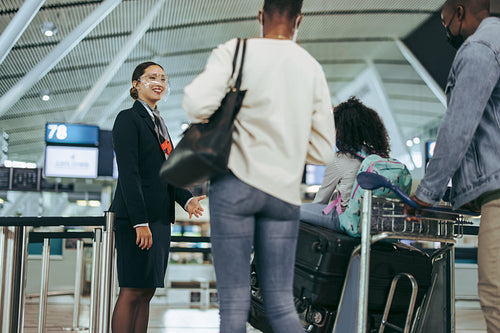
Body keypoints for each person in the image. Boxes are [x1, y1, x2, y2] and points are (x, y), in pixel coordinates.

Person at [182, 0, 335, 331]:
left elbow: (195, 105)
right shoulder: (310, 67)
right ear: (299, 21)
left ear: (261, 17)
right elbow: (323, 150)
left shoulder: (236, 51)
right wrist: (287, 148)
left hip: (235, 185)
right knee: (280, 305)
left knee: (235, 304)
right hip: (283, 195)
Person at [408, 1, 500, 331]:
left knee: (496, 298)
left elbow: (458, 126)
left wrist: (427, 193)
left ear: (459, 13)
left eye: (446, 24)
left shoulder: (479, 48)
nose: (447, 32)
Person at [110, 61, 206, 333]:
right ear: (136, 84)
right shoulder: (128, 119)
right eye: (152, 77)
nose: (159, 82)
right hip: (138, 220)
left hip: (160, 220)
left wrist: (187, 199)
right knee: (131, 290)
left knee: (147, 292)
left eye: (163, 78)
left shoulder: (160, 123)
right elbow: (129, 174)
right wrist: (140, 222)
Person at [300, 97, 391, 230]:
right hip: (377, 224)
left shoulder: (340, 159)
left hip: (349, 221)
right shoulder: (378, 159)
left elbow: (320, 202)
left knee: (292, 210)